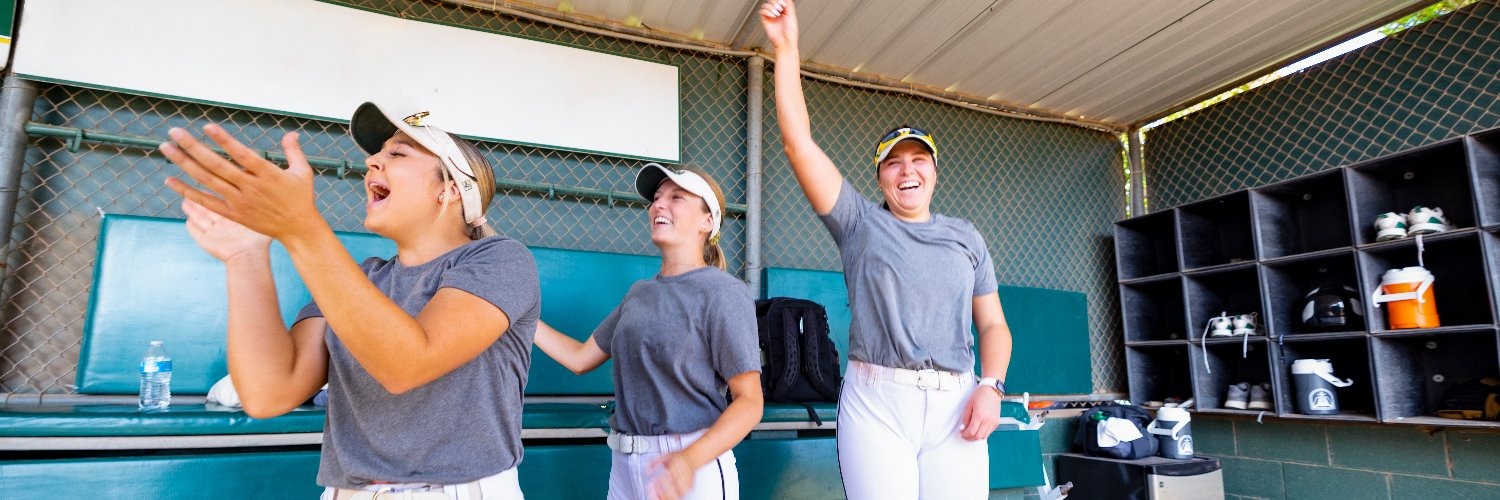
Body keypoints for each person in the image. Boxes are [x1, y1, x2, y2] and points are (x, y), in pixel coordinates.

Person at [160, 101, 540, 499]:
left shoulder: (501, 258)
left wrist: (303, 229)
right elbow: (268, 393)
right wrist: (245, 255)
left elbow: (407, 364)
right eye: (377, 154)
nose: (373, 161)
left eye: (397, 153)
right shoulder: (359, 279)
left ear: (449, 190)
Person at [760, 1, 1016, 498]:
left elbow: (992, 325)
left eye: (919, 160)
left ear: (935, 171)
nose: (907, 171)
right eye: (893, 163)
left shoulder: (966, 236)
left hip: (956, 400)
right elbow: (798, 144)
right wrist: (787, 49)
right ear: (880, 176)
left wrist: (992, 386)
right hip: (877, 402)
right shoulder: (859, 222)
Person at [533, 164, 762, 500]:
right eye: (656, 199)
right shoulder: (639, 292)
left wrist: (688, 461)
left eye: (677, 197)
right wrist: (517, 318)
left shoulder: (724, 292)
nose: (658, 205)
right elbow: (579, 358)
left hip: (690, 467)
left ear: (707, 222)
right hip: (625, 465)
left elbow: (750, 402)